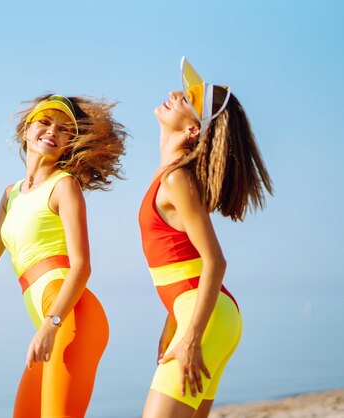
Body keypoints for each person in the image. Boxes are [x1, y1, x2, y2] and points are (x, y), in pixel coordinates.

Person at [0, 94, 127, 417]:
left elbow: (82, 266)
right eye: (45, 122)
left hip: (70, 316)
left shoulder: (64, 186)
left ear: (68, 144)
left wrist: (51, 324)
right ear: (26, 131)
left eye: (64, 129)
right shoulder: (11, 194)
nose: (53, 131)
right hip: (50, 321)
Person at [138, 57, 273, 418]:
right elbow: (183, 262)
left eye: (186, 99)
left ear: (194, 131)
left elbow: (215, 260)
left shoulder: (176, 179)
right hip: (208, 313)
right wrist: (173, 324)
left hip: (205, 317)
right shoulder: (169, 174)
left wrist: (191, 336)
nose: (173, 94)